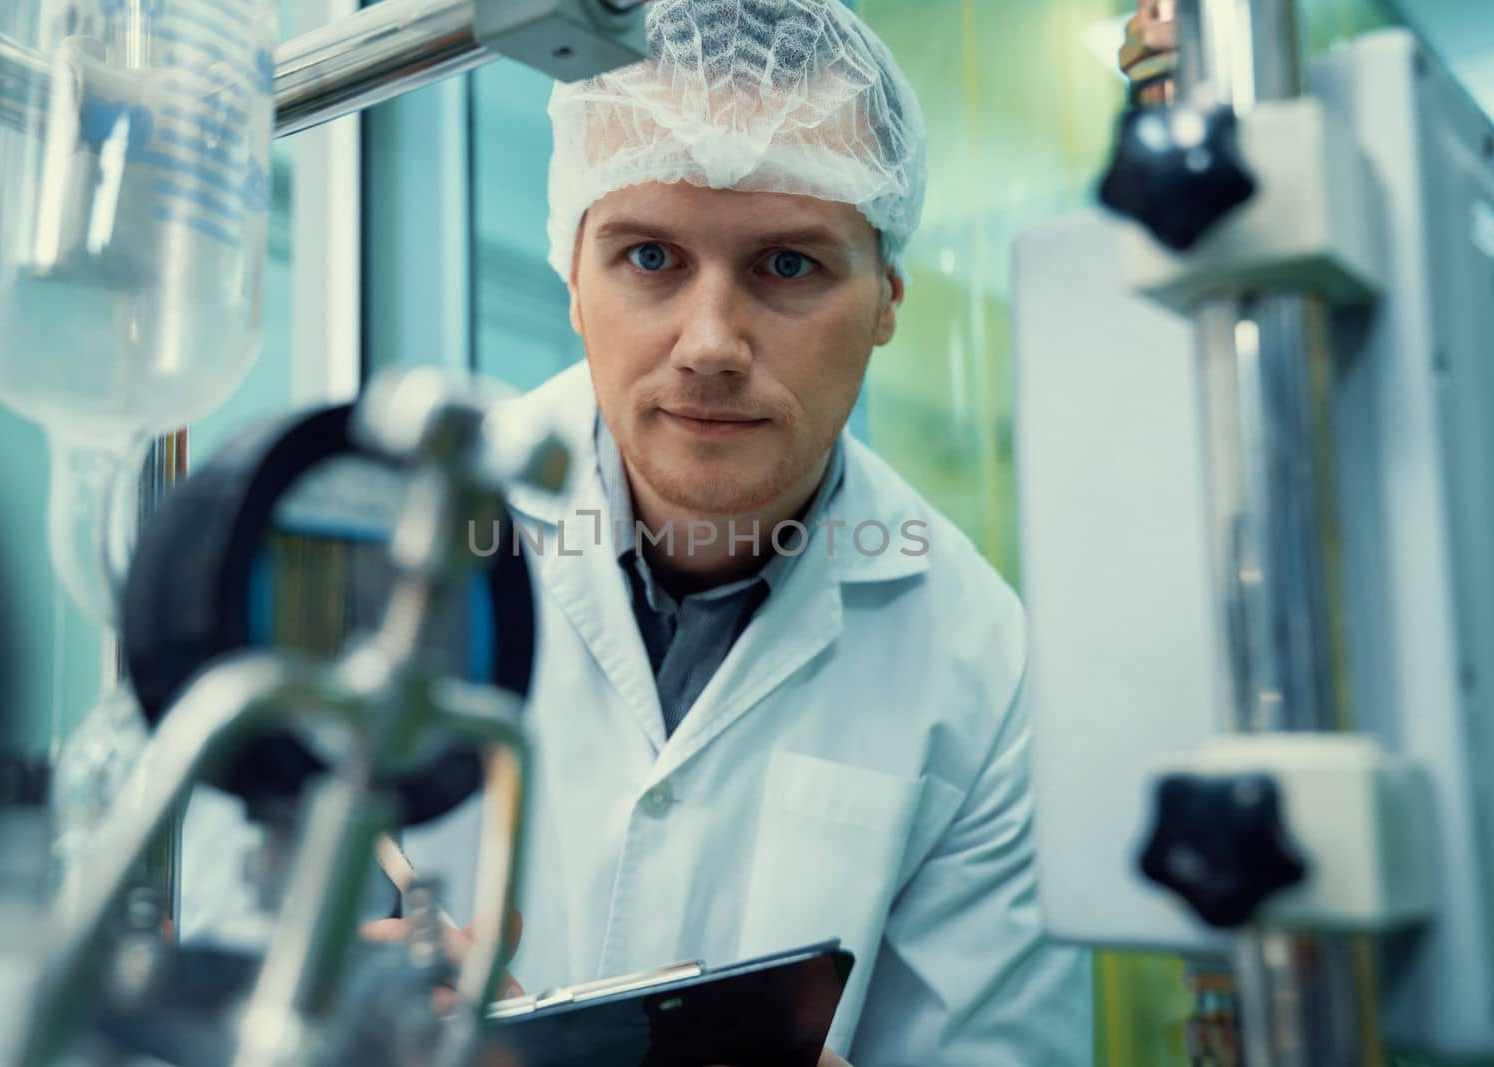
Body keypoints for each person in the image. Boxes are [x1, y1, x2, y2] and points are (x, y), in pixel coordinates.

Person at [409, 1, 1094, 1063]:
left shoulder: (981, 665)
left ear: (886, 302)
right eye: (648, 257)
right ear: (573, 279)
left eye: (786, 266)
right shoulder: (390, 531)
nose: (711, 344)